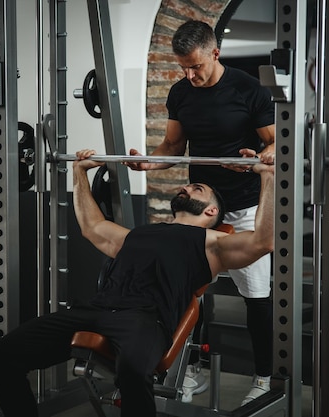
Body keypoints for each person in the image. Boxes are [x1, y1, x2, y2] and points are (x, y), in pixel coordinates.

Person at [0, 149, 275, 417]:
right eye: (187, 186)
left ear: (211, 211)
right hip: (95, 309)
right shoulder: (138, 234)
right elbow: (92, 226)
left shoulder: (213, 242)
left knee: (133, 373)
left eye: (196, 189)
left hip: (144, 319)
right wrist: (79, 172)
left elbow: (263, 241)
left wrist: (267, 176)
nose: (185, 187)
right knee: (2, 357)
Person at [124, 19, 276, 405]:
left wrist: (257, 159)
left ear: (215, 53)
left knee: (256, 295)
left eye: (196, 66)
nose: (189, 75)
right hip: (200, 211)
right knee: (188, 292)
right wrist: (147, 165)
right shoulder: (180, 92)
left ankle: (264, 378)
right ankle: (189, 370)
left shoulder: (248, 89)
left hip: (244, 206)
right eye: (183, 68)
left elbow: (276, 146)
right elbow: (172, 146)